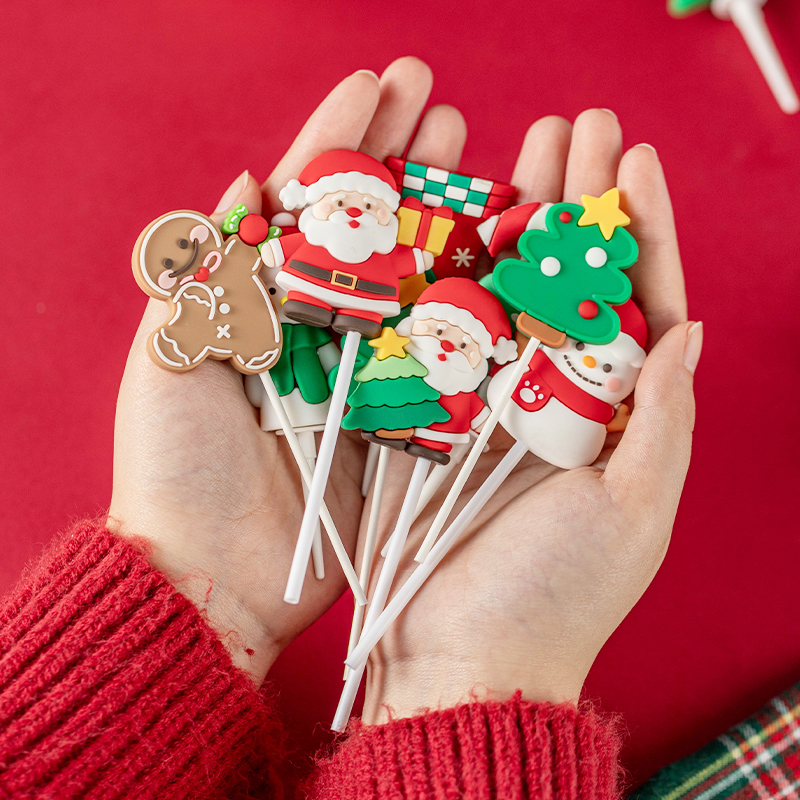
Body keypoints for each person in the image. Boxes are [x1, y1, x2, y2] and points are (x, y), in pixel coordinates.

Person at [0, 57, 701, 799]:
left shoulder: (429, 307)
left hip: (419, 401)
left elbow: (425, 291)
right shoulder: (334, 268)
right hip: (329, 326)